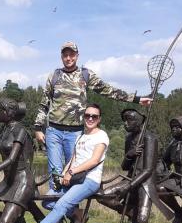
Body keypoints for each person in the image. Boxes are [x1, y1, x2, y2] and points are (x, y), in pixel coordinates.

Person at [34, 41, 153, 190]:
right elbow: (44, 103)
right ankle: (58, 207)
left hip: (75, 133)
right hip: (54, 132)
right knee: (56, 173)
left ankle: (68, 209)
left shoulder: (85, 74)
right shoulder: (54, 76)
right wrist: (38, 128)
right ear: (61, 57)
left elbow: (108, 90)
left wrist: (136, 99)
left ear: (77, 56)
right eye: (65, 55)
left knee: (73, 175)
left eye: (72, 55)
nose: (69, 58)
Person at [15, 103, 108, 223]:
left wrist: (71, 172)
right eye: (87, 115)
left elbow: (94, 160)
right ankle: (78, 213)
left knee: (61, 205)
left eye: (94, 116)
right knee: (48, 200)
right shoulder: (81, 136)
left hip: (89, 180)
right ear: (84, 117)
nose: (90, 118)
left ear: (99, 119)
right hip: (74, 178)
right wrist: (64, 173)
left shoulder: (101, 136)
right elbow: (73, 159)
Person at [98, 109, 171, 223]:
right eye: (125, 120)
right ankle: (131, 213)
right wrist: (129, 155)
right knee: (102, 196)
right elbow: (124, 166)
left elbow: (148, 170)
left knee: (143, 218)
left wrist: (128, 187)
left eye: (130, 120)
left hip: (146, 183)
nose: (126, 124)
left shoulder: (149, 138)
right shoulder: (129, 138)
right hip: (131, 179)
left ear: (140, 121)